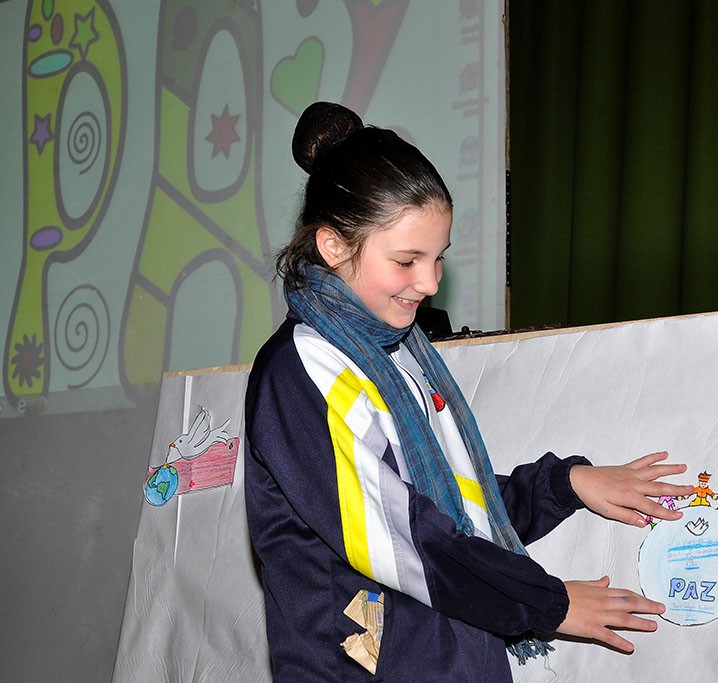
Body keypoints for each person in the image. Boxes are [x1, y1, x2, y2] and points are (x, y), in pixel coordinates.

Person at [244, 101, 694, 681]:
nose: (429, 282)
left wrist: (565, 485)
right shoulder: (299, 373)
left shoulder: (400, 351)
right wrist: (549, 603)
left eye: (438, 258)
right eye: (407, 260)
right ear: (333, 246)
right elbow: (409, 538)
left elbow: (454, 509)